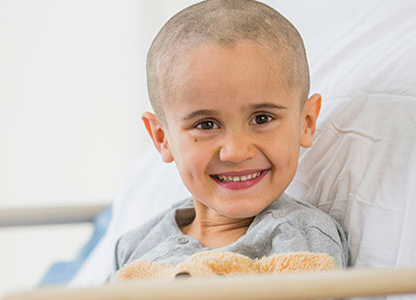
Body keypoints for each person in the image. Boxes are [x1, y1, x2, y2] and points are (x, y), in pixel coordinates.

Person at [112, 0, 350, 277]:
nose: (236, 152)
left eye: (262, 118)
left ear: (306, 123)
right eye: (206, 124)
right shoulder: (134, 246)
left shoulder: (301, 237)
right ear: (162, 138)